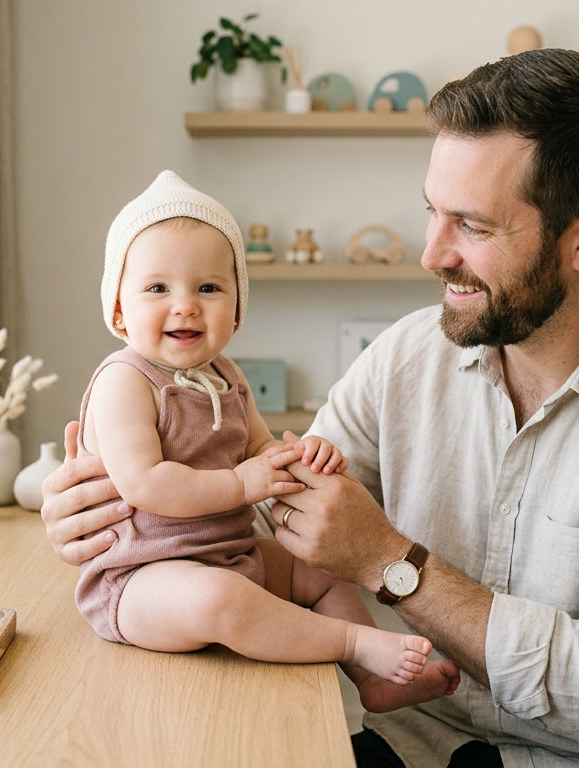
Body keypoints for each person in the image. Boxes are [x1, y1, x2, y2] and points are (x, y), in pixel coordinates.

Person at [43, 50, 579, 768]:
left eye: (474, 227)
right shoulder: (408, 356)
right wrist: (112, 513)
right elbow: (272, 514)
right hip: (416, 743)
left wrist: (394, 565)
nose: (431, 254)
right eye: (433, 213)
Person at [72, 170, 461, 713]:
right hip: (143, 579)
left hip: (232, 554)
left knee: (320, 571)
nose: (184, 305)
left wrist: (302, 456)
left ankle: (372, 682)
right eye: (157, 288)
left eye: (208, 287)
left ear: (237, 309)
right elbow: (146, 484)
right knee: (221, 598)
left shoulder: (227, 375)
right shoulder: (126, 381)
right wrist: (240, 484)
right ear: (118, 309)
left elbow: (259, 449)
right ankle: (356, 644)